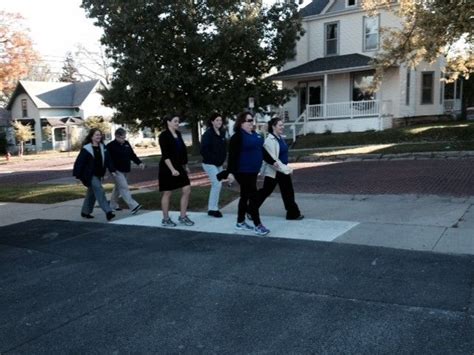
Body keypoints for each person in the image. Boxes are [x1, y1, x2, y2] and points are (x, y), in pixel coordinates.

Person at [226, 111, 270, 236]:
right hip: (242, 171)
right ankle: (258, 225)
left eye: (252, 120)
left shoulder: (254, 134)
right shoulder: (237, 137)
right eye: (249, 120)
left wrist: (274, 162)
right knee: (253, 196)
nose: (252, 122)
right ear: (241, 123)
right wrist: (230, 173)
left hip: (253, 171)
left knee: (245, 196)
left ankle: (240, 222)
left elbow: (262, 151)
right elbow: (232, 157)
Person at [257, 117, 304, 220]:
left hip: (282, 170)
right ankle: (250, 209)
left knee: (288, 192)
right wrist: (288, 170)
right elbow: (273, 160)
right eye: (280, 125)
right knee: (266, 191)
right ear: (273, 126)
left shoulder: (280, 138)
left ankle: (292, 213)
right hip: (275, 171)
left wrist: (286, 169)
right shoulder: (270, 140)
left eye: (283, 125)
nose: (282, 127)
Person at [158, 114, 194, 227]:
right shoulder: (163, 136)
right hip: (167, 167)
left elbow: (182, 151)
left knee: (187, 189)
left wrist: (185, 166)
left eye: (178, 121)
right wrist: (172, 169)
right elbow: (165, 155)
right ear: (168, 122)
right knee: (167, 192)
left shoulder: (178, 134)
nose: (178, 123)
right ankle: (165, 219)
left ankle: (183, 216)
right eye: (175, 121)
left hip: (179, 166)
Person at [73, 128, 116, 221]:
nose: (99, 136)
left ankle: (85, 211)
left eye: (100, 135)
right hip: (89, 175)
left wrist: (112, 170)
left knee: (92, 193)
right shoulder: (87, 149)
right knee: (100, 190)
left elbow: (108, 160)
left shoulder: (102, 147)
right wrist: (77, 176)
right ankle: (108, 211)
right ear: (92, 137)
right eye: (96, 135)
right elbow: (79, 162)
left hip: (99, 174)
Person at [106, 127, 145, 215]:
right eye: (122, 138)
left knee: (118, 188)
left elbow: (132, 155)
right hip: (116, 171)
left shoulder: (126, 144)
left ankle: (112, 205)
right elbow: (108, 160)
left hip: (126, 169)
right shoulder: (110, 146)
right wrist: (112, 170)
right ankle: (133, 206)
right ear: (116, 136)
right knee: (124, 187)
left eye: (124, 137)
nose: (123, 139)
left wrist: (139, 163)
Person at [200, 113, 227, 218]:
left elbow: (224, 148)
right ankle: (212, 209)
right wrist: (214, 160)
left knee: (217, 184)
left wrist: (222, 160)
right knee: (217, 184)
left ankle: (213, 207)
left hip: (218, 164)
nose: (219, 122)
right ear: (212, 121)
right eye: (217, 120)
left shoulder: (222, 132)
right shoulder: (207, 134)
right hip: (209, 163)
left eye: (220, 120)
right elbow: (203, 150)